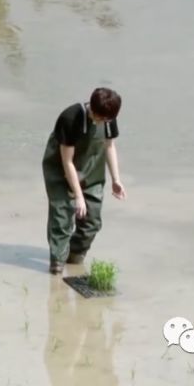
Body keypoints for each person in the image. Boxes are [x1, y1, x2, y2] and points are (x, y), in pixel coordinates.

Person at [42, 87, 126, 275]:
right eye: (100, 119)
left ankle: (75, 257)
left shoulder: (108, 119)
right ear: (93, 110)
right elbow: (67, 161)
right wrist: (78, 196)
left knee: (92, 221)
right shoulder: (71, 118)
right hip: (61, 171)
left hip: (92, 170)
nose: (103, 123)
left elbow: (109, 146)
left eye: (107, 120)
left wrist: (116, 179)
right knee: (62, 219)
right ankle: (57, 264)